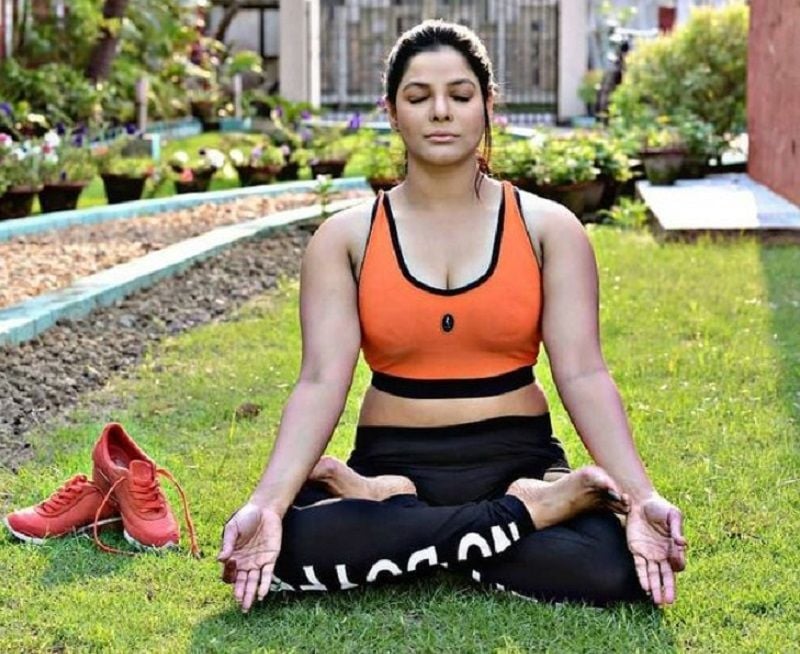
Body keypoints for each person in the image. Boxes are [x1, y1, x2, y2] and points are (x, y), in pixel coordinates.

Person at [217, 19, 686, 614]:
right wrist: (267, 501)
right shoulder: (345, 238)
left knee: (613, 571)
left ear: (487, 105)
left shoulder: (548, 228)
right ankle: (526, 513)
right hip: (393, 458)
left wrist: (640, 496)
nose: (441, 111)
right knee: (281, 551)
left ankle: (412, 517)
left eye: (460, 96)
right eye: (419, 97)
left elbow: (584, 372)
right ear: (391, 110)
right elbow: (319, 381)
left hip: (516, 456)